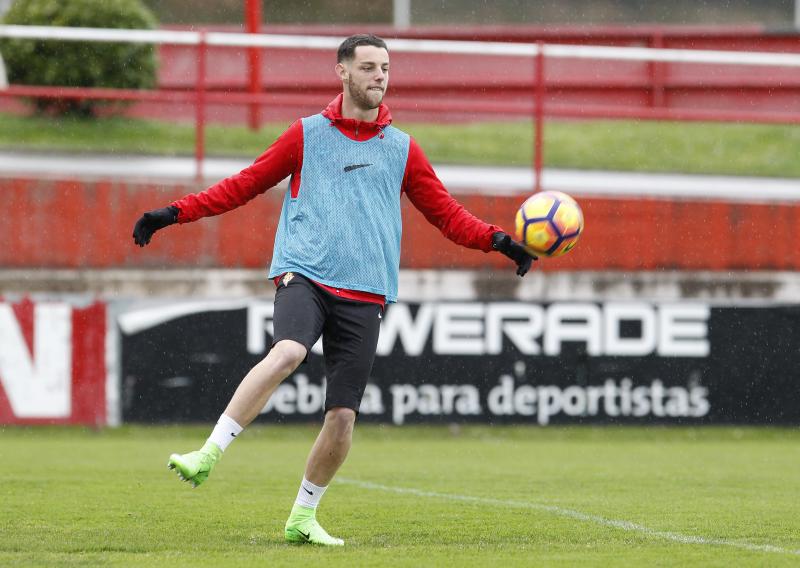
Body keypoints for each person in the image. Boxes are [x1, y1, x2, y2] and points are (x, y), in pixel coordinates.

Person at [132, 33, 536, 547]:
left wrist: (499, 241)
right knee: (289, 351)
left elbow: (447, 216)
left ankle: (303, 516)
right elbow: (243, 184)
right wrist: (173, 213)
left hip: (367, 292)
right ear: (342, 72)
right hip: (306, 274)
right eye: (368, 67)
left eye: (385, 68)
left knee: (342, 416)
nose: (379, 77)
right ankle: (208, 453)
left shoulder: (403, 149)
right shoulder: (306, 135)